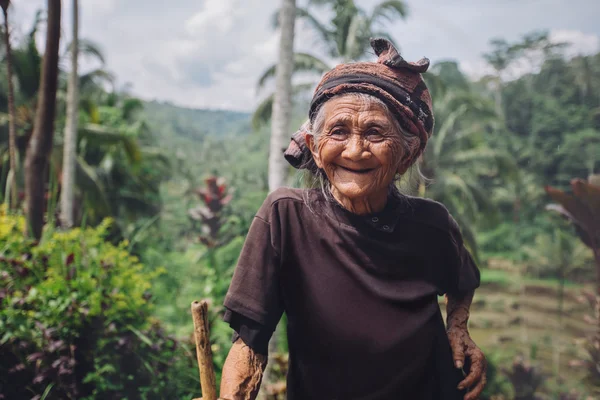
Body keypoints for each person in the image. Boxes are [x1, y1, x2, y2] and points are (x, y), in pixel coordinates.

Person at [216, 38, 486, 400]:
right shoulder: (285, 217)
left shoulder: (432, 224)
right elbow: (249, 343)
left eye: (374, 132)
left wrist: (458, 326)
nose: (355, 150)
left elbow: (462, 280)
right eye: (339, 131)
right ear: (314, 146)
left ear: (407, 155)